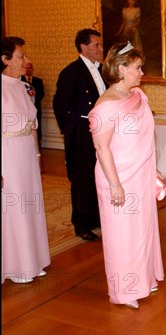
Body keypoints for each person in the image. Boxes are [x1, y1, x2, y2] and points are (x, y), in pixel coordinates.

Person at [89, 42, 164, 309]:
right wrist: (115, 184)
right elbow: (101, 147)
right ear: (121, 69)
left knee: (142, 230)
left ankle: (144, 279)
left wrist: (151, 166)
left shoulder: (138, 96)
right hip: (118, 176)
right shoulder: (105, 105)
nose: (142, 73)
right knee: (122, 235)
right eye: (137, 68)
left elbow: (145, 138)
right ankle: (124, 290)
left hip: (141, 175)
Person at [2, 36, 50, 284]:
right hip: (7, 156)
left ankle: (33, 260)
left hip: (26, 155)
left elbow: (32, 125)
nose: (27, 61)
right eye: (21, 56)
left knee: (31, 205)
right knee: (14, 208)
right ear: (5, 59)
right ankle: (16, 265)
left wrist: (38, 155)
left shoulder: (22, 87)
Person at [53, 29, 107, 241]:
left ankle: (96, 218)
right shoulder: (71, 72)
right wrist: (71, 131)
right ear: (83, 47)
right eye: (96, 45)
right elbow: (60, 105)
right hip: (82, 133)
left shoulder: (104, 70)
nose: (100, 49)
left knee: (100, 176)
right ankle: (82, 224)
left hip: (102, 132)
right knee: (82, 179)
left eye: (100, 45)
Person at [21, 63, 45, 150]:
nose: (29, 70)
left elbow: (41, 94)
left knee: (37, 128)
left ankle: (37, 147)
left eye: (31, 68)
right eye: (27, 68)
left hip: (36, 109)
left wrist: (33, 101)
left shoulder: (38, 81)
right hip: (24, 110)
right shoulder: (20, 81)